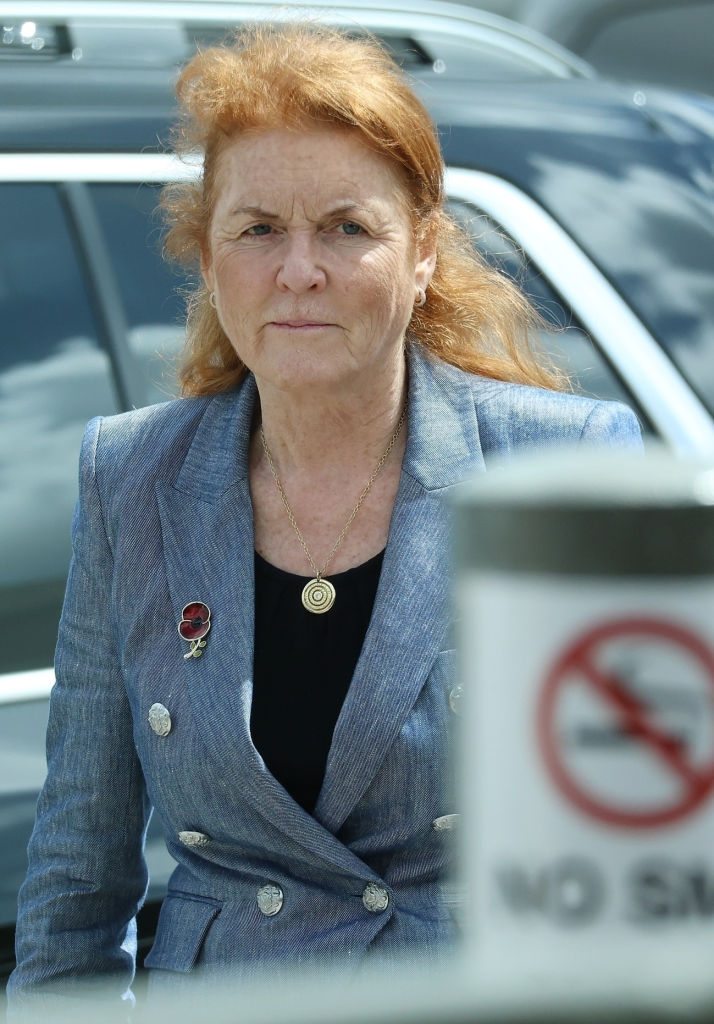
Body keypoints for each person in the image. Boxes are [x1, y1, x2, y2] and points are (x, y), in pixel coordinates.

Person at [8, 23, 641, 1011]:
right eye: (258, 228)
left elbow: (634, 858)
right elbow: (77, 881)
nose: (298, 269)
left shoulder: (560, 467)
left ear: (423, 251)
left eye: (347, 227)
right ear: (209, 259)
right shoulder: (128, 477)